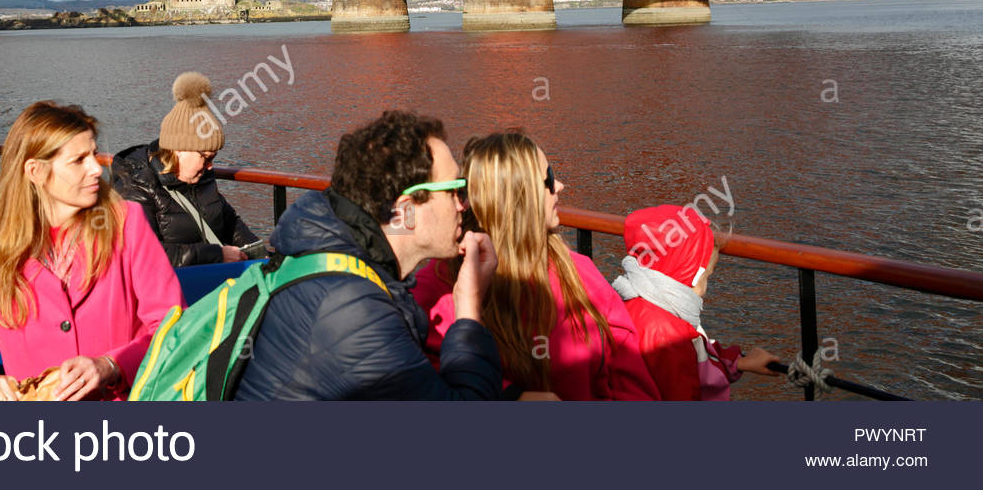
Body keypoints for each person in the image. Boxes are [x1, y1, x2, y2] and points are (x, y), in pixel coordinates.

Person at [0, 101, 183, 401]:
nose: (95, 168)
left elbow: (175, 329)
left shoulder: (126, 223)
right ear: (35, 171)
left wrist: (111, 365)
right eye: (78, 160)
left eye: (93, 154)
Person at [233, 110, 502, 400]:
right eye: (454, 190)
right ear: (406, 210)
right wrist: (470, 310)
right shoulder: (352, 310)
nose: (464, 204)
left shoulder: (337, 267)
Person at [412, 132, 659, 400]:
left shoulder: (580, 273)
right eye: (550, 179)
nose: (561, 186)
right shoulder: (437, 291)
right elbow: (425, 387)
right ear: (519, 197)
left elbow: (631, 381)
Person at [612, 204, 780, 400]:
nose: (706, 287)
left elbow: (697, 355)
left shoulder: (635, 301)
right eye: (707, 276)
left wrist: (739, 362)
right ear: (693, 276)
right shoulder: (666, 335)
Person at [113, 72, 258, 266]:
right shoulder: (136, 184)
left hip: (208, 276)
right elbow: (145, 254)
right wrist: (216, 255)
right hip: (172, 287)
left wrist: (258, 251)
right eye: (206, 157)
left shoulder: (201, 177)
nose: (210, 166)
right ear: (179, 150)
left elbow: (229, 220)